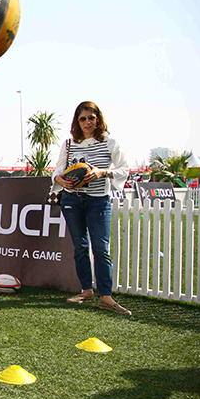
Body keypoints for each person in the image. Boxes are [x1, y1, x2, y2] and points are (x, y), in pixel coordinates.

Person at [53, 101, 131, 315]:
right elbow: (58, 171)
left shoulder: (109, 142)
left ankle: (105, 296)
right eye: (83, 119)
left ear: (98, 119)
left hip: (98, 200)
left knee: (101, 249)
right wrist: (60, 178)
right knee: (80, 248)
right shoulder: (69, 144)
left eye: (91, 118)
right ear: (77, 122)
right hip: (72, 200)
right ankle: (86, 290)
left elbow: (125, 168)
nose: (87, 122)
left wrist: (102, 172)